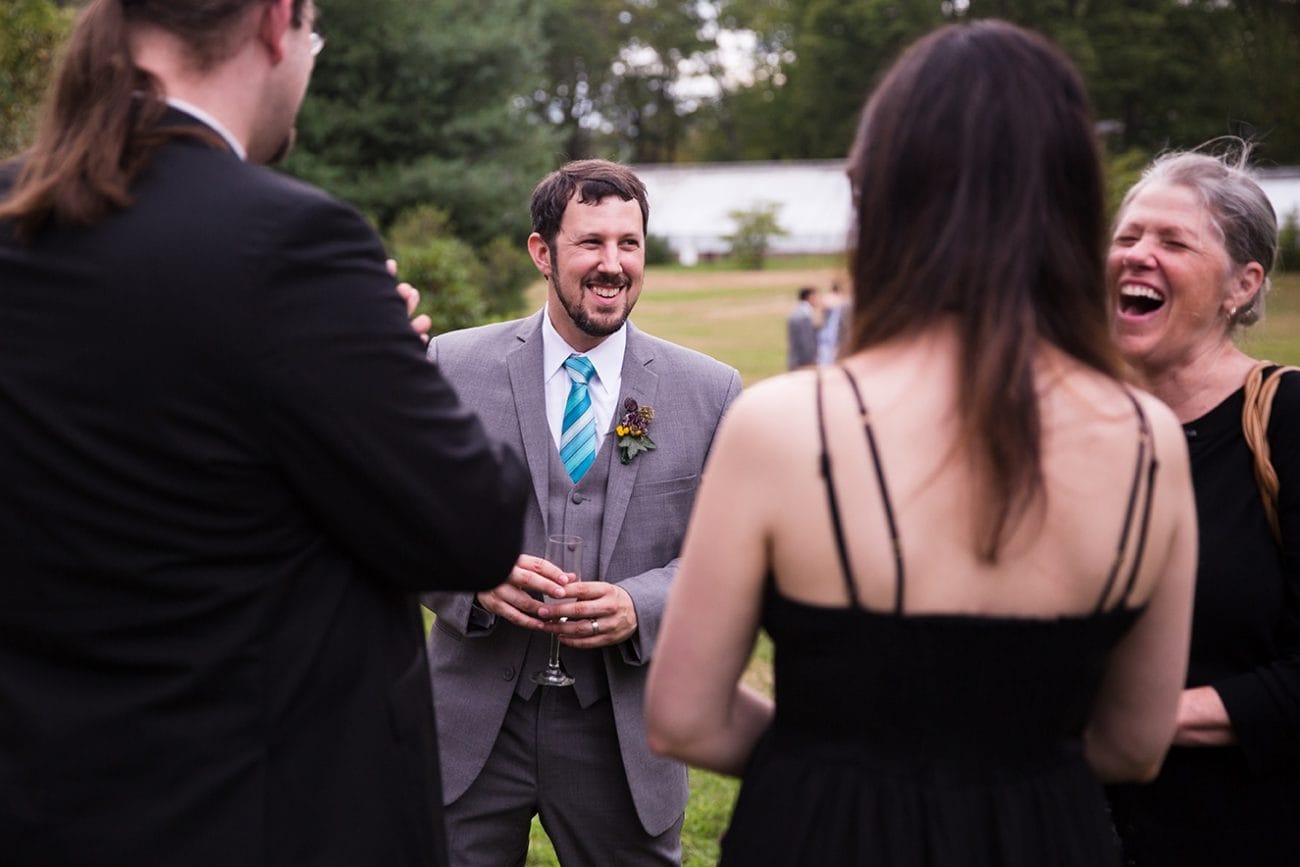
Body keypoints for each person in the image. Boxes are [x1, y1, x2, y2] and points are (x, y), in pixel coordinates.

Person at [645, 20, 1198, 866]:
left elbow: (685, 714)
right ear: (1075, 200)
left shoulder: (788, 423)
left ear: (882, 196)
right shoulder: (1147, 439)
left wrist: (835, 767)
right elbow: (1134, 743)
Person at [0, 2, 528, 866]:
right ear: (278, 23)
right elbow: (474, 525)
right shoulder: (288, 244)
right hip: (256, 817)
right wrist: (388, 359)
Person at [422, 159, 741, 866]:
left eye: (629, 243)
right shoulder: (450, 365)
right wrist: (469, 576)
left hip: (622, 733)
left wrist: (643, 603)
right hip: (471, 727)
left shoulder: (710, 391)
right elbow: (398, 518)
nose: (613, 264)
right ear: (543, 251)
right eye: (591, 242)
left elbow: (731, 557)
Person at [1103, 145, 1300, 865]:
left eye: (1173, 241)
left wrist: (1119, 723)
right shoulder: (1074, 426)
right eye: (1127, 237)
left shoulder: (1285, 422)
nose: (1137, 255)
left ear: (1242, 286)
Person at [817, 280, 850, 366]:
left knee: (824, 347)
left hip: (826, 325)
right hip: (836, 326)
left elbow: (821, 313)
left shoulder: (826, 298)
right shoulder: (841, 299)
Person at [787, 285, 821, 369]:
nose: (818, 300)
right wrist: (812, 361)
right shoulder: (805, 315)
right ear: (810, 297)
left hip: (795, 360)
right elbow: (807, 342)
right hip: (803, 363)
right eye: (816, 296)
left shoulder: (796, 311)